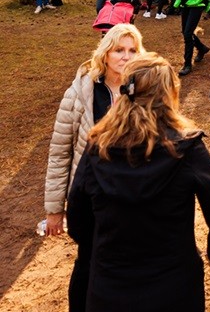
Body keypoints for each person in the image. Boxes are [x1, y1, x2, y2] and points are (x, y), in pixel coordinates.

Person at [66, 52, 210, 311]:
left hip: (111, 282)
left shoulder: (98, 147)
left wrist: (98, 246)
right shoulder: (186, 148)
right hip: (174, 283)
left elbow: (76, 214)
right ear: (168, 94)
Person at [43, 24, 144, 311]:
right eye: (119, 50)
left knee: (130, 263)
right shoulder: (80, 93)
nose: (126, 57)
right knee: (88, 262)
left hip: (133, 196)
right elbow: (60, 152)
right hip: (91, 198)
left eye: (132, 50)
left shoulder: (144, 91)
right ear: (106, 53)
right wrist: (54, 209)